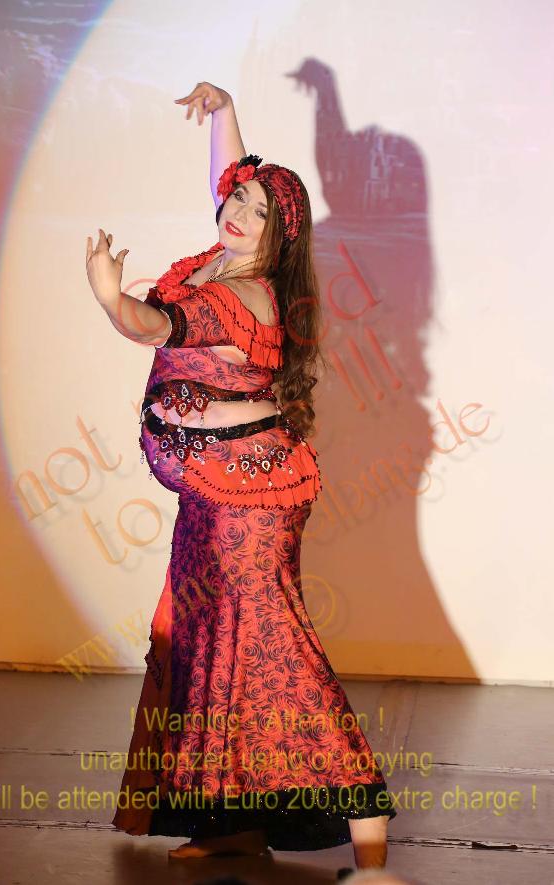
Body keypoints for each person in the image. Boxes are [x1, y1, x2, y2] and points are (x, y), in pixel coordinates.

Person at [85, 81, 397, 870]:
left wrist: (110, 299)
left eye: (258, 213)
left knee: (274, 652)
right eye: (238, 201)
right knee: (208, 648)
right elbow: (231, 180)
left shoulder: (240, 293)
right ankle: (232, 822)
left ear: (278, 239)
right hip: (212, 492)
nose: (238, 213)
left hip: (248, 508)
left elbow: (154, 323)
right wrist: (223, 113)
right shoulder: (226, 256)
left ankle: (368, 833)